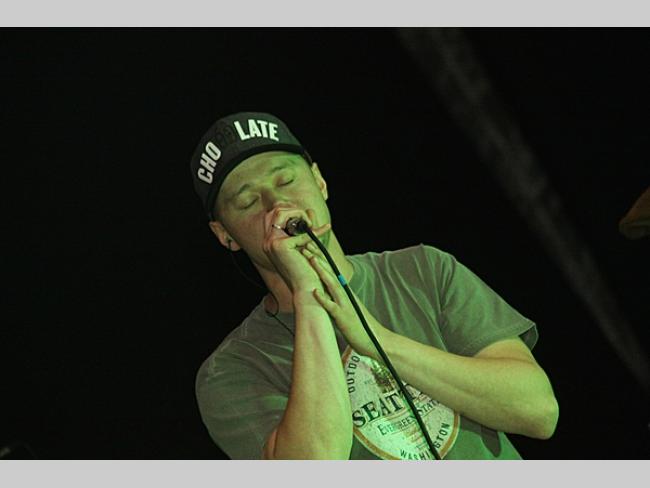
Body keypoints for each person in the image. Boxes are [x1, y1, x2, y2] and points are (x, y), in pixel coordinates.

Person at [190, 111, 559, 460]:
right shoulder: (231, 369)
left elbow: (538, 411)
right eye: (248, 201)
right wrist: (308, 296)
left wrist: (379, 342)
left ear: (320, 181)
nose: (277, 204)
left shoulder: (422, 269)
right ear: (225, 235)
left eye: (286, 180)